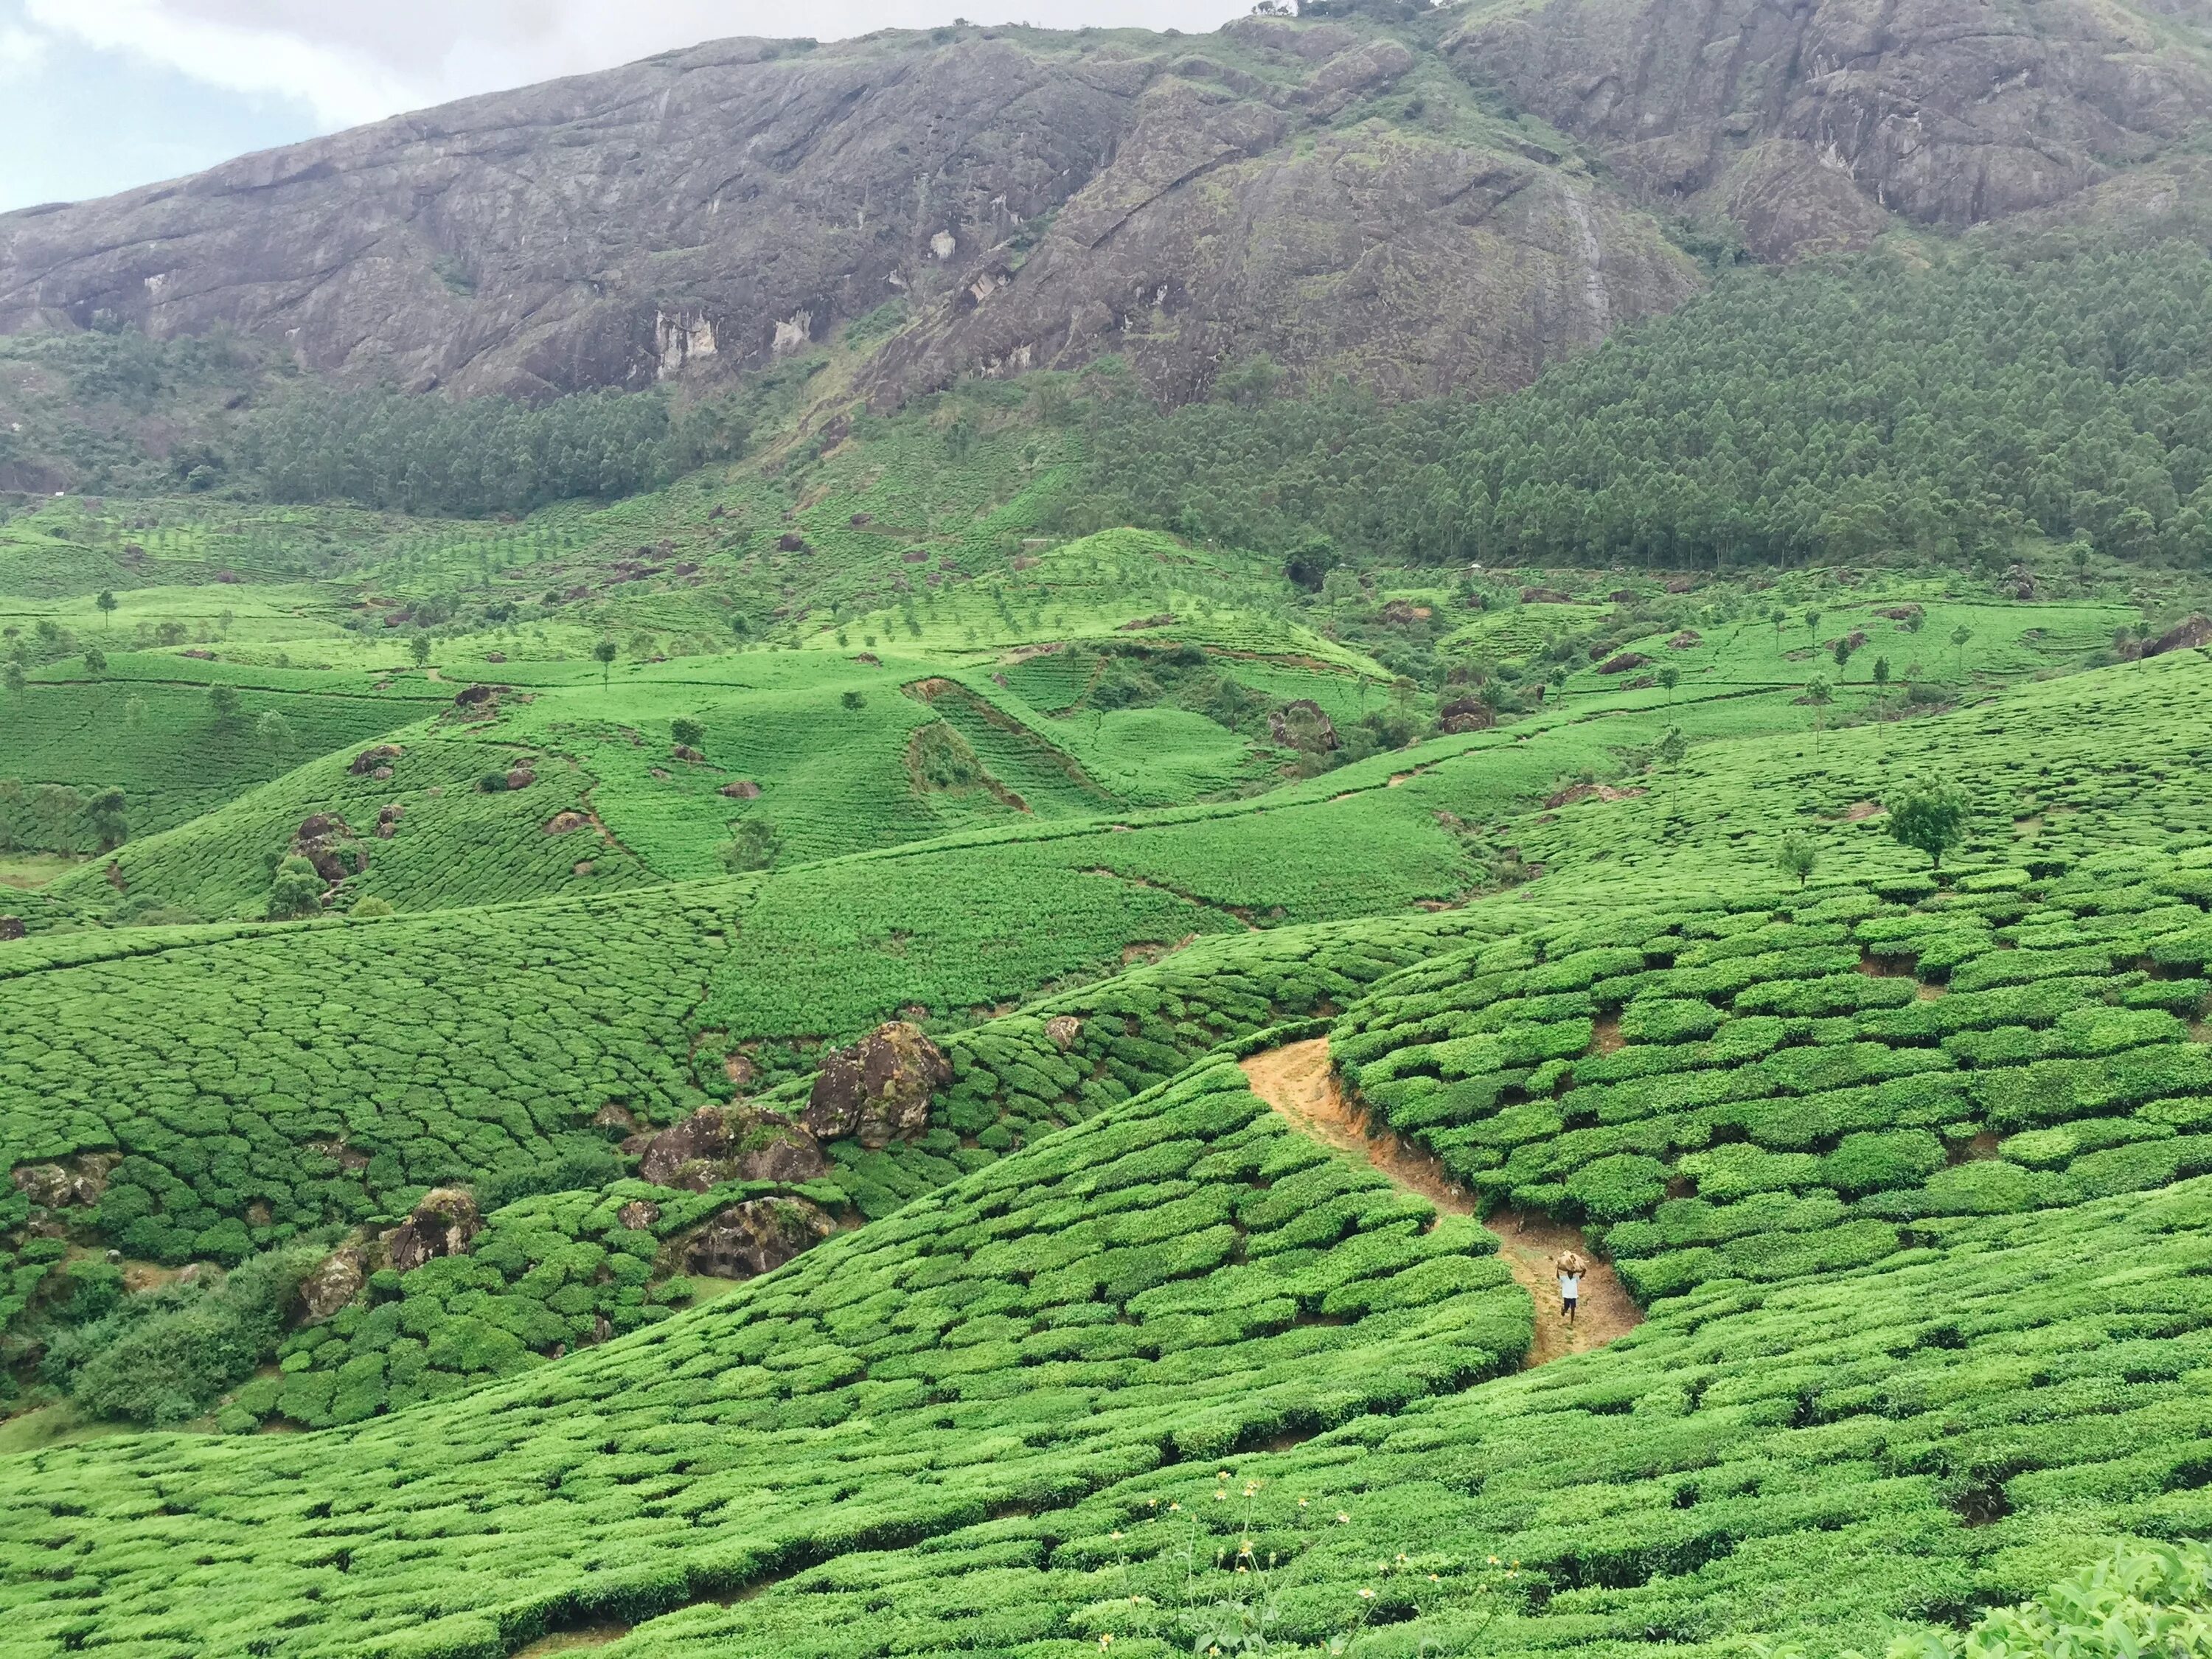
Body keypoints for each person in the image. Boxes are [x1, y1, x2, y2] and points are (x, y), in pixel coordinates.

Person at [1557, 1251, 1587, 1326]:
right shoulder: (1564, 1278)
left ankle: (1571, 1322)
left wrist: (1584, 1271)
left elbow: (1582, 1276)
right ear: (1568, 1273)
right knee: (1566, 1309)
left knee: (1573, 1309)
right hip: (1566, 1296)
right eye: (1570, 1273)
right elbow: (1558, 1277)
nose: (1571, 1273)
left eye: (1572, 1273)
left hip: (1573, 1296)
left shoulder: (1575, 1278)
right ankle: (1563, 1311)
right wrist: (1556, 1269)